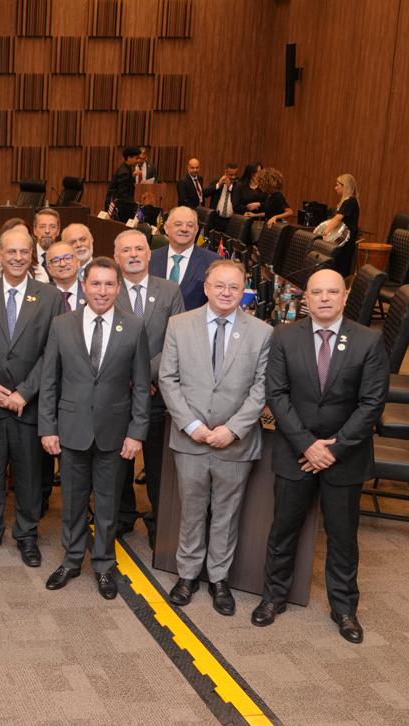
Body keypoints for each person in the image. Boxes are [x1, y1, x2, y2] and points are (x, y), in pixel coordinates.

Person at [253, 269, 388, 644]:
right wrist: (308, 445)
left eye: (332, 292)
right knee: (283, 529)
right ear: (305, 299)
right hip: (296, 451)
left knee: (343, 537)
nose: (325, 298)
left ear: (345, 297)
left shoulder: (369, 340)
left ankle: (344, 608)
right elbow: (276, 395)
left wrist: (334, 448)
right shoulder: (283, 337)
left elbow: (372, 403)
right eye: (317, 292)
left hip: (346, 456)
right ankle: (273, 597)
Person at [159, 260, 272, 615]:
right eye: (219, 285)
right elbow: (168, 379)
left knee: (226, 512)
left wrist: (233, 429)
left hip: (234, 441)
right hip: (190, 439)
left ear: (244, 292)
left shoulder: (261, 332)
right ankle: (187, 574)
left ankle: (218, 578)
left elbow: (261, 388)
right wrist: (192, 426)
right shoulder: (179, 325)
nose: (226, 293)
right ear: (206, 287)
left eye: (234, 287)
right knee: (191, 510)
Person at [39, 258, 149, 597]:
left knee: (107, 503)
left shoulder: (133, 326)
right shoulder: (61, 324)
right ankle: (72, 560)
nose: (102, 291)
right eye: (96, 284)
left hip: (115, 433)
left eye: (109, 284)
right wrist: (48, 427)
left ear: (118, 288)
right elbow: (49, 381)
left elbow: (142, 385)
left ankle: (103, 564)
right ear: (84, 286)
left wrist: (136, 433)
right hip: (71, 429)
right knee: (71, 501)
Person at [0, 228, 58, 568]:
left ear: (32, 255)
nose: (18, 258)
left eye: (24, 252)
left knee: (29, 473)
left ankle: (26, 534)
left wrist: (25, 391)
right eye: (11, 252)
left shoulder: (48, 297)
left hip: (28, 403)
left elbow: (52, 352)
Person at [114, 230, 185, 545]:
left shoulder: (170, 291)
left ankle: (159, 525)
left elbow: (177, 341)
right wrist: (127, 378)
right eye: (126, 249)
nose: (133, 254)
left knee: (157, 465)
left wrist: (144, 378)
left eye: (139, 248)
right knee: (117, 464)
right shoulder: (107, 289)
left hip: (158, 393)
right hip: (117, 391)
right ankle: (122, 516)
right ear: (116, 257)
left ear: (149, 254)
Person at [150, 206, 219, 310]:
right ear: (166, 228)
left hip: (193, 325)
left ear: (196, 230)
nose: (184, 229)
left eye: (190, 225)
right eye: (178, 224)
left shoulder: (214, 263)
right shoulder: (150, 258)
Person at [324, 174, 360, 276]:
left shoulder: (350, 201)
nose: (335, 188)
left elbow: (338, 218)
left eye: (337, 185)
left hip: (346, 243)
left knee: (340, 270)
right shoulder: (349, 201)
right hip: (344, 241)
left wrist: (324, 233)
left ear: (345, 187)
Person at [46, 240, 86, 312]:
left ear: (78, 262)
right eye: (55, 261)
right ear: (49, 269)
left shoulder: (89, 291)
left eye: (68, 258)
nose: (62, 264)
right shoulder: (42, 295)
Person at [106, 146, 141, 220]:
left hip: (117, 204)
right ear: (129, 158)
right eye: (136, 158)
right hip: (118, 207)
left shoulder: (126, 168)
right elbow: (123, 194)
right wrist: (135, 204)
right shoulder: (124, 172)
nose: (138, 160)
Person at [207, 163, 240, 232]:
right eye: (231, 175)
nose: (233, 177)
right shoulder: (218, 180)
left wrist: (230, 187)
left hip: (232, 221)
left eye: (235, 175)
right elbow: (205, 193)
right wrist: (218, 184)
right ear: (226, 173)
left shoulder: (239, 184)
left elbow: (239, 199)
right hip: (216, 219)